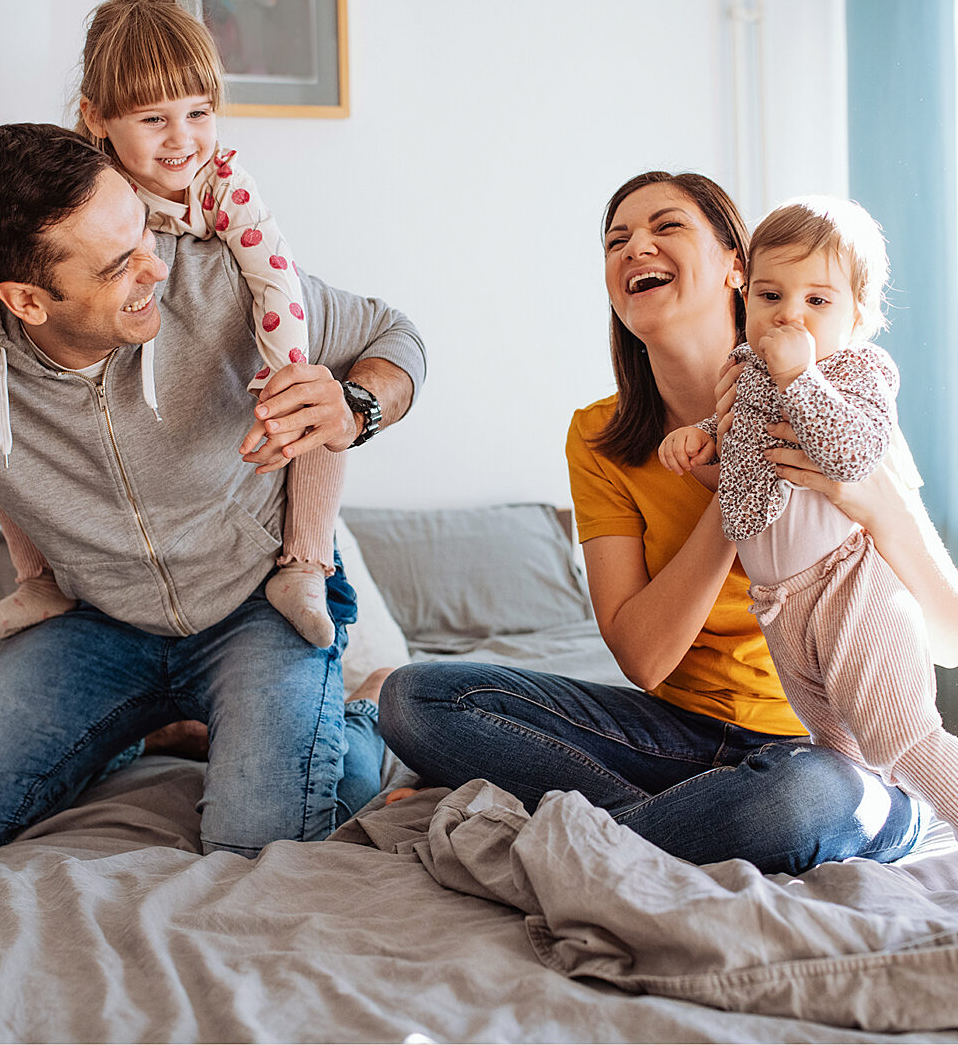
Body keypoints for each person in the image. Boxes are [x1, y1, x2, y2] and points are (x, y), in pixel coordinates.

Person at [0, 122, 426, 858]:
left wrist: (360, 406)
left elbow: (393, 336)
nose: (156, 267)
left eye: (144, 230)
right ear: (27, 300)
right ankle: (150, 726)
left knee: (256, 847)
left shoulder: (220, 280)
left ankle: (366, 713)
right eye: (120, 264)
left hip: (255, 606)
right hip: (99, 623)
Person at [378, 170, 955, 875]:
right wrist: (737, 468)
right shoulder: (600, 437)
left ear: (736, 267)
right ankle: (682, 822)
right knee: (415, 697)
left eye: (667, 226)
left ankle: (599, 841)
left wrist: (878, 504)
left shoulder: (834, 391)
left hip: (822, 753)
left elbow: (948, 637)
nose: (635, 247)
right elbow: (645, 660)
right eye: (616, 239)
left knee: (800, 799)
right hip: (679, 735)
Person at [0, 0, 352, 648]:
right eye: (153, 118)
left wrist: (284, 366)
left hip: (228, 379)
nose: (182, 138)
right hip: (88, 362)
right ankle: (38, 581)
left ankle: (306, 565)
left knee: (312, 390)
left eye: (199, 112)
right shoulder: (86, 183)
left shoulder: (223, 185)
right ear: (96, 117)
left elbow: (274, 273)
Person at [658, 196, 958, 827]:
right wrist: (702, 437)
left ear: (859, 316)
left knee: (902, 738)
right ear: (745, 300)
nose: (789, 314)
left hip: (850, 584)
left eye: (817, 300)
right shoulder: (745, 370)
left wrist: (800, 377)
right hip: (779, 603)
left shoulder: (857, 370)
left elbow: (850, 454)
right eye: (770, 296)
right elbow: (746, 436)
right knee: (835, 749)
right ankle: (870, 838)